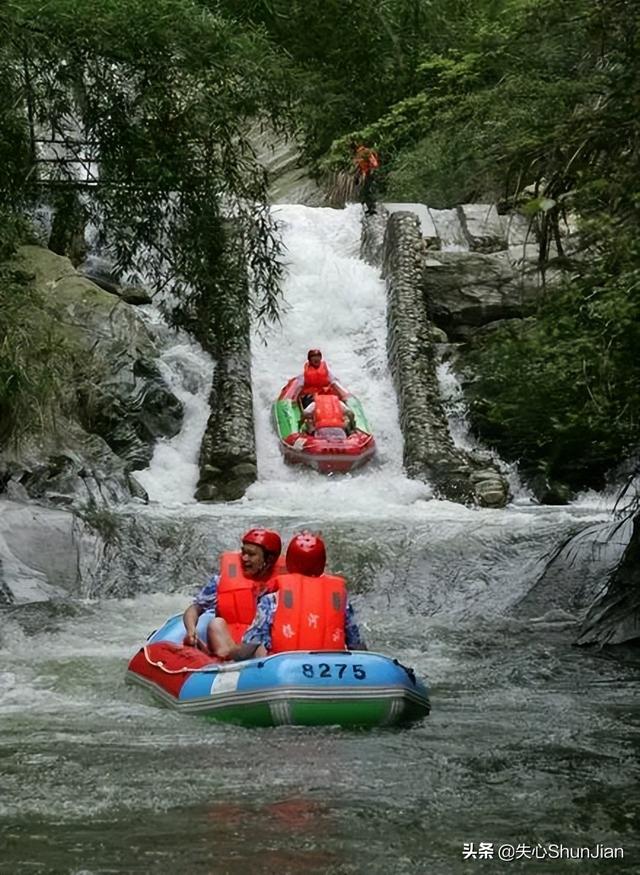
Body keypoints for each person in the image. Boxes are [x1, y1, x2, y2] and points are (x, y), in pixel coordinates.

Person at [209, 532, 367, 660]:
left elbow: (250, 646)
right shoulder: (339, 599)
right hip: (331, 666)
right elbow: (356, 645)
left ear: (290, 563)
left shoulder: (272, 600)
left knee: (259, 649)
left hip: (284, 668)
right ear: (322, 563)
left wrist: (230, 652)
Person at [182, 528, 284, 655]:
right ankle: (228, 657)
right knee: (216, 623)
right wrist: (191, 630)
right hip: (227, 643)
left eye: (252, 555)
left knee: (261, 647)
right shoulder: (221, 581)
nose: (245, 558)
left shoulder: (284, 585)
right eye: (243, 553)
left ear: (268, 559)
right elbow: (195, 608)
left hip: (260, 648)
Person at [350, 141, 380, 216]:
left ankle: (372, 208)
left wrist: (372, 170)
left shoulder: (364, 152)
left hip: (371, 172)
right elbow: (360, 167)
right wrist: (357, 177)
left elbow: (373, 162)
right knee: (365, 190)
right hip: (368, 173)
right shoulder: (359, 154)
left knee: (367, 191)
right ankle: (370, 207)